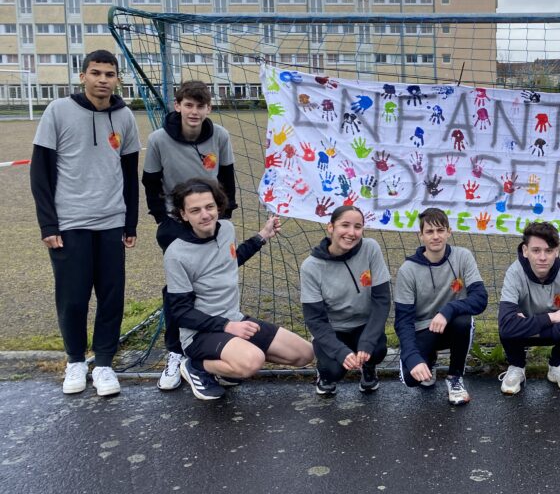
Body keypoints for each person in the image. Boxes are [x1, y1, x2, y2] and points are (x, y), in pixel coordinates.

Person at [30, 49, 141, 397]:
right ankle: (76, 361)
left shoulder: (124, 117)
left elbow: (128, 173)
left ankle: (104, 363)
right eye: (96, 73)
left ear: (117, 79)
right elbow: (40, 173)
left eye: (110, 74)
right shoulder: (58, 111)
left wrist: (130, 223)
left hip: (111, 221)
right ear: (82, 76)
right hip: (70, 222)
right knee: (73, 298)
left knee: (111, 297)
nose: (103, 80)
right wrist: (49, 226)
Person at [162, 178, 313, 400]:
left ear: (218, 206)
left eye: (209, 207)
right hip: (200, 334)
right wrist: (227, 326)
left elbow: (231, 260)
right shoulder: (176, 254)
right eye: (195, 210)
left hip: (233, 320)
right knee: (252, 361)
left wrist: (263, 236)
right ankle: (196, 366)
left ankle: (225, 366)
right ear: (183, 214)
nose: (205, 215)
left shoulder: (226, 229)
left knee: (303, 354)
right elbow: (181, 312)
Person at [142, 80, 237, 390]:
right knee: (178, 293)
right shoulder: (158, 139)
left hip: (211, 221)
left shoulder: (220, 136)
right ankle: (176, 353)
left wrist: (223, 219)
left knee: (213, 285)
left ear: (208, 109)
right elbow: (150, 183)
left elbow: (226, 179)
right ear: (178, 106)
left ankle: (211, 351)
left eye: (200, 106)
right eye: (189, 105)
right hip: (177, 224)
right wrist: (164, 221)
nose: (194, 111)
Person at [393, 208, 488, 406]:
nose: (435, 236)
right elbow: (403, 321)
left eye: (440, 230)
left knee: (463, 320)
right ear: (421, 235)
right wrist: (412, 357)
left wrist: (448, 310)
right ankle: (429, 359)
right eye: (429, 232)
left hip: (450, 323)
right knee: (412, 379)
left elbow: (480, 299)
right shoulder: (407, 270)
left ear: (448, 232)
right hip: (423, 329)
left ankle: (455, 378)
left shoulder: (463, 257)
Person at [300, 205, 391, 397]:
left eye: (357, 227)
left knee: (377, 350)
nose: (351, 232)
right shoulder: (311, 266)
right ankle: (324, 375)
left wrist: (367, 341)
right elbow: (315, 319)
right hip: (334, 329)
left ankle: (368, 368)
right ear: (331, 227)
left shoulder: (370, 248)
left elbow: (382, 301)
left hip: (363, 325)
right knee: (334, 369)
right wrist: (340, 351)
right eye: (345, 225)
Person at [497, 222, 560, 395]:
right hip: (543, 329)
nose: (543, 257)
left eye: (549, 250)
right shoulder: (514, 273)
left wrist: (527, 326)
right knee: (506, 331)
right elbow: (507, 326)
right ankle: (517, 366)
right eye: (536, 250)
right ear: (525, 251)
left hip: (526, 329)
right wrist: (551, 318)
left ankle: (557, 365)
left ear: (557, 251)